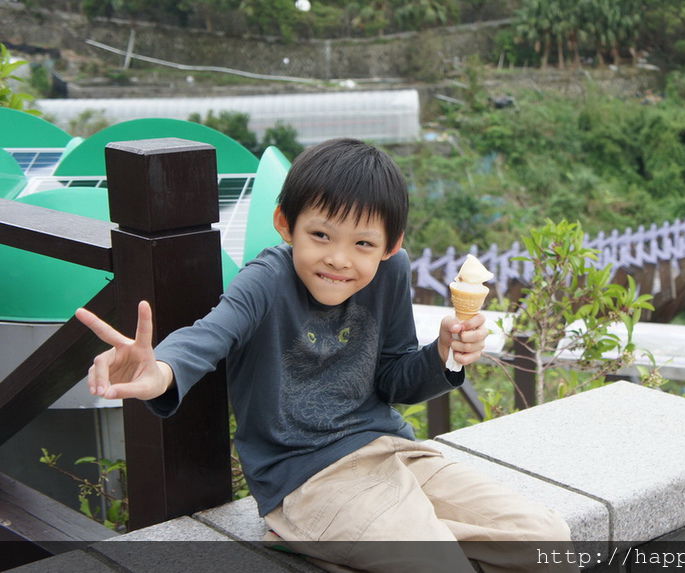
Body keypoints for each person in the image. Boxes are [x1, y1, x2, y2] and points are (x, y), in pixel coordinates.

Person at [75, 138, 573, 572]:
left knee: (550, 543)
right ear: (284, 224)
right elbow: (212, 333)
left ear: (390, 246)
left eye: (362, 243)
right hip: (305, 478)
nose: (339, 258)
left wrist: (444, 354)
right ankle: (333, 534)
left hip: (393, 452)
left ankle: (356, 546)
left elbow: (395, 379)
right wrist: (159, 368)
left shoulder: (391, 273)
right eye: (320, 235)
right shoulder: (267, 281)